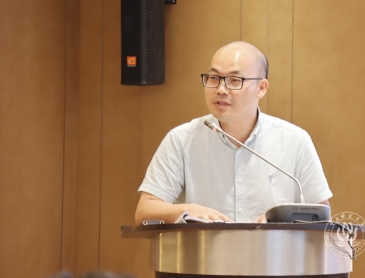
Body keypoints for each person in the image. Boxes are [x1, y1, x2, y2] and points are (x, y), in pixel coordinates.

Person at [135, 41, 332, 224]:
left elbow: (322, 218)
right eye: (214, 78)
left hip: (273, 250)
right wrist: (187, 210)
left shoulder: (294, 141)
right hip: (203, 251)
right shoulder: (181, 140)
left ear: (261, 88)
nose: (221, 89)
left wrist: (278, 223)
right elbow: (145, 211)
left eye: (235, 80)